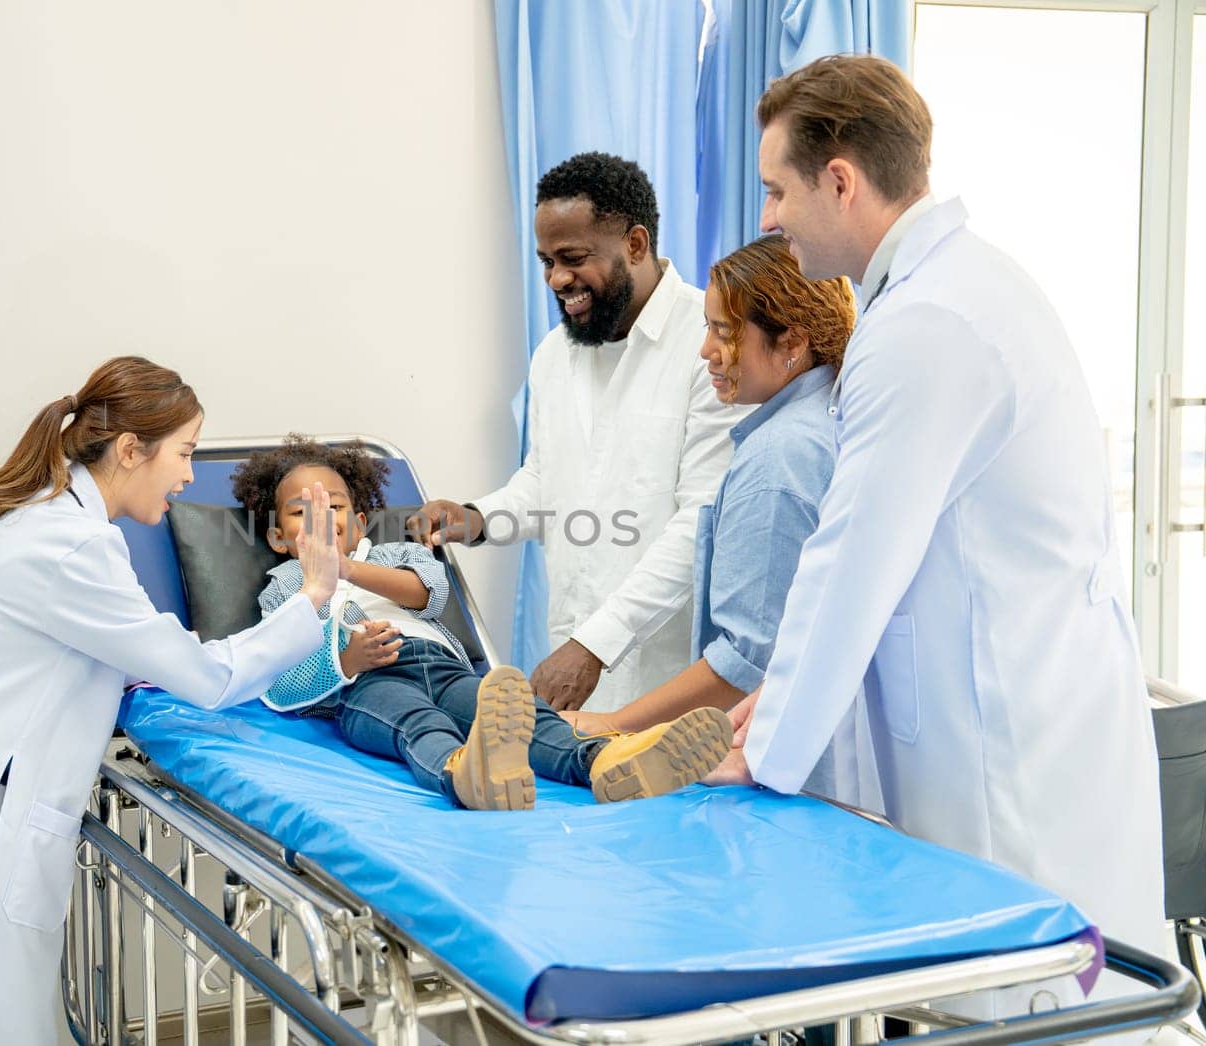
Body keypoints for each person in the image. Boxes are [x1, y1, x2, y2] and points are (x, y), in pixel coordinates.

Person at [707, 54, 1166, 1019]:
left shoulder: (930, 323)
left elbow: (852, 558)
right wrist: (778, 709)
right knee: (1056, 993)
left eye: (777, 190)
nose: (768, 218)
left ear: (841, 179)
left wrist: (771, 743)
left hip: (1013, 736)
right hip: (1021, 697)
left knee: (1033, 999)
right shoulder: (946, 291)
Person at [0, 358, 342, 1044]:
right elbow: (207, 679)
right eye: (183, 453)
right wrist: (313, 598)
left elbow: (80, 653)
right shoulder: (73, 546)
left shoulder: (46, 521)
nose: (188, 474)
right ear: (130, 451)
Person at [234, 436, 732, 811]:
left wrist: (345, 568)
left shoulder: (392, 555)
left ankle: (606, 761)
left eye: (335, 506)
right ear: (279, 538)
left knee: (524, 716)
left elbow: (428, 592)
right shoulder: (284, 587)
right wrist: (346, 658)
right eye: (303, 512)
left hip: (443, 667)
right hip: (365, 682)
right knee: (416, 722)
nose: (323, 517)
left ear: (360, 522)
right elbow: (280, 670)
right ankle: (464, 772)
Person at [411, 152, 741, 713]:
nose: (557, 279)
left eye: (572, 258)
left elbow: (701, 524)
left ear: (635, 245)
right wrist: (478, 517)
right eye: (545, 261)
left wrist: (595, 643)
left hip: (671, 678)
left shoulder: (707, 346)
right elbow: (548, 483)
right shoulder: (554, 355)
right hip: (574, 663)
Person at [561, 236, 877, 809]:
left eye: (725, 332)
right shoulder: (824, 419)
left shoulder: (778, 456)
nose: (705, 349)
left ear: (793, 343)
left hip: (782, 768)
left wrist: (615, 723)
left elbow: (745, 659)